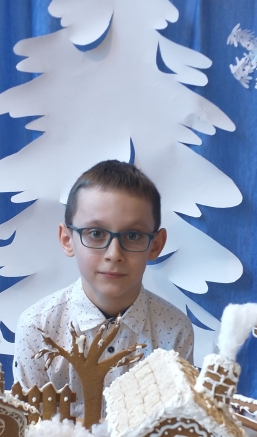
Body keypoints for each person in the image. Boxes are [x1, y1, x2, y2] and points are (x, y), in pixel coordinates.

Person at [14, 160, 193, 417]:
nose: (114, 254)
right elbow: (29, 427)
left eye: (133, 235)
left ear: (155, 245)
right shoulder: (37, 327)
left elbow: (176, 425)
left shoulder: (175, 331)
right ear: (67, 239)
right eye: (96, 233)